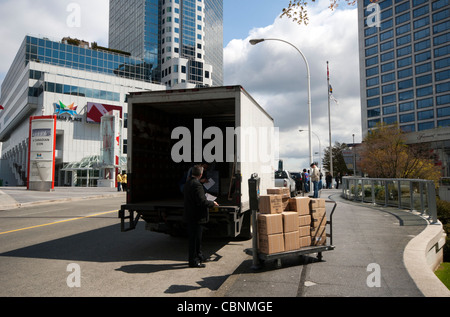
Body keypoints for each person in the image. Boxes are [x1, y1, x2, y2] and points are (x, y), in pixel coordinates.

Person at [183, 165, 219, 268]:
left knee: (193, 239)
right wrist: (212, 203)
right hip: (197, 217)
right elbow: (202, 201)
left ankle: (199, 256)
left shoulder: (188, 184)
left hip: (190, 215)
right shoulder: (197, 185)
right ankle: (194, 261)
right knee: (195, 240)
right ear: (201, 174)